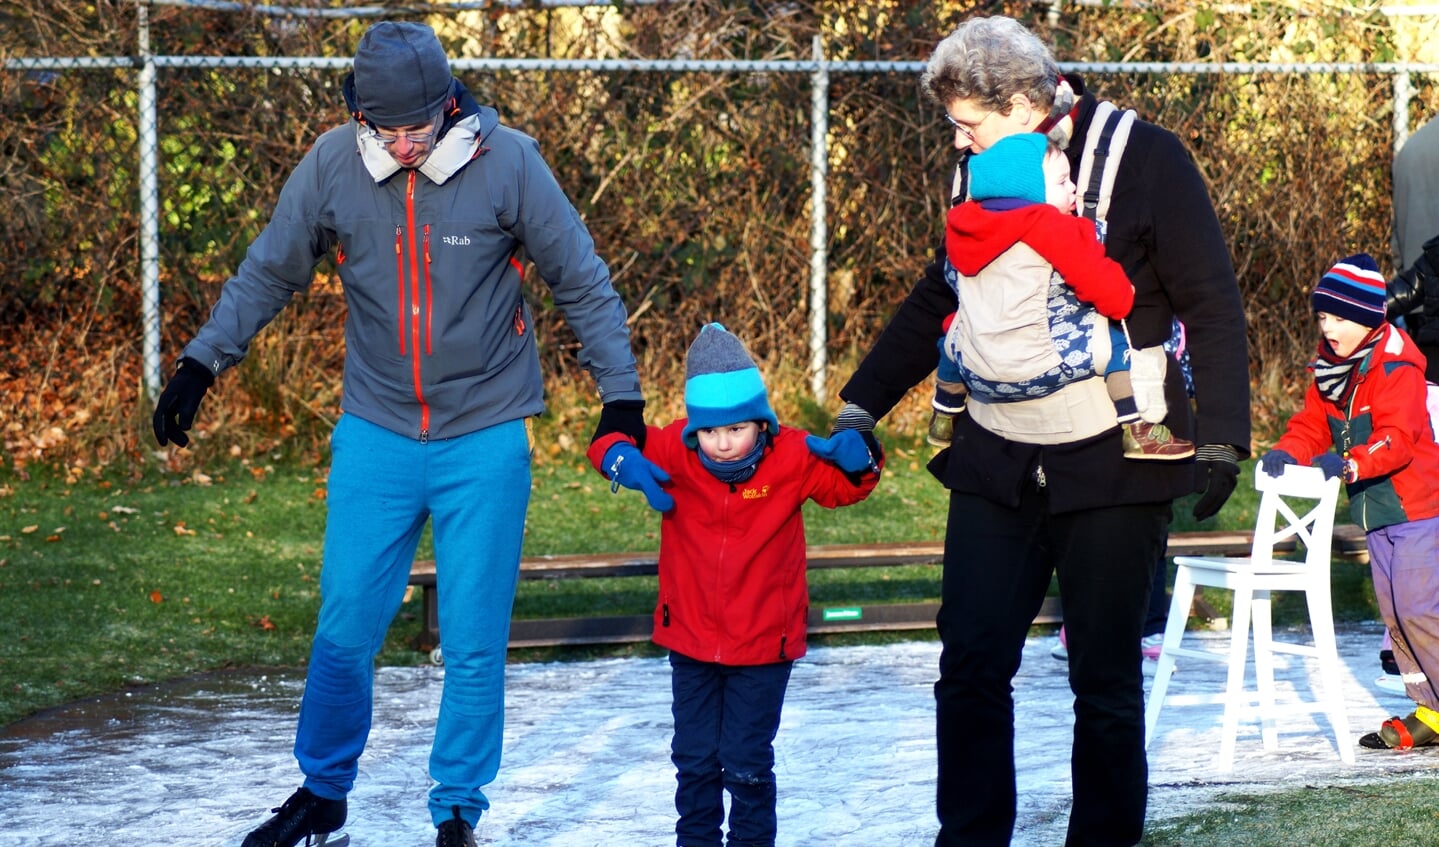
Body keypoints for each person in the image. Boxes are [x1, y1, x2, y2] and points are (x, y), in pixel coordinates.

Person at [149, 21, 648, 847]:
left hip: (484, 433)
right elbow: (271, 268)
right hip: (376, 429)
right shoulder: (333, 166)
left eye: (421, 128)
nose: (408, 146)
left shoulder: (509, 162)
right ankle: (323, 792)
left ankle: (456, 806)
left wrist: (620, 397)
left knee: (475, 638)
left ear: (449, 106)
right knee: (345, 626)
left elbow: (582, 279)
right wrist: (202, 362)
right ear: (362, 119)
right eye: (391, 132)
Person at [830, 16, 1251, 846]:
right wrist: (860, 403)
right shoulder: (979, 173)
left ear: (1023, 102)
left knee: (1102, 679)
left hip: (1118, 456)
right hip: (996, 453)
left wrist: (1222, 436)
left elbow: (1209, 298)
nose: (957, 141)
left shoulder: (1147, 159)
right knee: (971, 664)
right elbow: (940, 294)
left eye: (967, 123)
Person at [588, 322, 883, 847]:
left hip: (764, 644)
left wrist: (863, 459)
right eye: (710, 432)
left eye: (737, 430)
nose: (722, 444)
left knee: (746, 763)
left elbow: (847, 487)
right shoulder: (674, 453)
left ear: (761, 423)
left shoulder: (791, 456)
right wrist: (622, 461)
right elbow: (609, 439)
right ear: (693, 430)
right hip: (691, 640)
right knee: (695, 760)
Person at [1259, 253, 1439, 751]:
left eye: (1338, 317)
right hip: (1376, 514)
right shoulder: (1329, 370)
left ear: (1367, 320)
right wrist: (1284, 451)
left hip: (1419, 508)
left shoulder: (1395, 366)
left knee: (1421, 610)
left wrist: (1350, 464)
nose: (1328, 326)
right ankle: (1430, 711)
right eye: (1322, 316)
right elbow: (1312, 426)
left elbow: (1397, 438)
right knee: (1396, 619)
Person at [930, 131, 1194, 461]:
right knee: (1117, 343)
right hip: (1041, 363)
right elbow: (1105, 290)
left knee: (953, 330)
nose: (1073, 188)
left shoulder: (962, 228)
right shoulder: (1053, 228)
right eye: (1062, 181)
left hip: (978, 368)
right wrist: (1123, 292)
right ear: (1029, 190)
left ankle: (944, 416)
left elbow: (953, 283)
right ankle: (1137, 430)